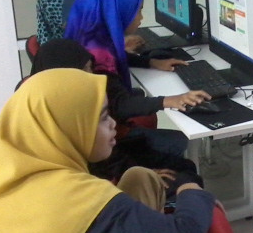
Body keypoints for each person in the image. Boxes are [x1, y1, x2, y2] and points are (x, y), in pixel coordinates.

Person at [0, 68, 215, 233]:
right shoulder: (80, 198)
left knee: (139, 177)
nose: (113, 124)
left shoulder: (5, 173)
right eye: (102, 117)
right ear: (68, 127)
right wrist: (190, 187)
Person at [27, 38, 201, 194]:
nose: (92, 76)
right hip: (107, 181)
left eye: (91, 68)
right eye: (85, 70)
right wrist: (142, 174)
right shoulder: (65, 117)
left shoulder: (55, 100)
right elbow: (100, 165)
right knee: (185, 175)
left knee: (185, 167)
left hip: (116, 157)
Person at [63, 0, 209, 158]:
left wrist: (150, 62)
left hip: (98, 129)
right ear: (119, 11)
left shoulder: (91, 35)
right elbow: (120, 105)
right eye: (138, 11)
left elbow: (117, 56)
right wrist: (170, 101)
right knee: (182, 142)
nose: (141, 17)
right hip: (111, 140)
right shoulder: (99, 55)